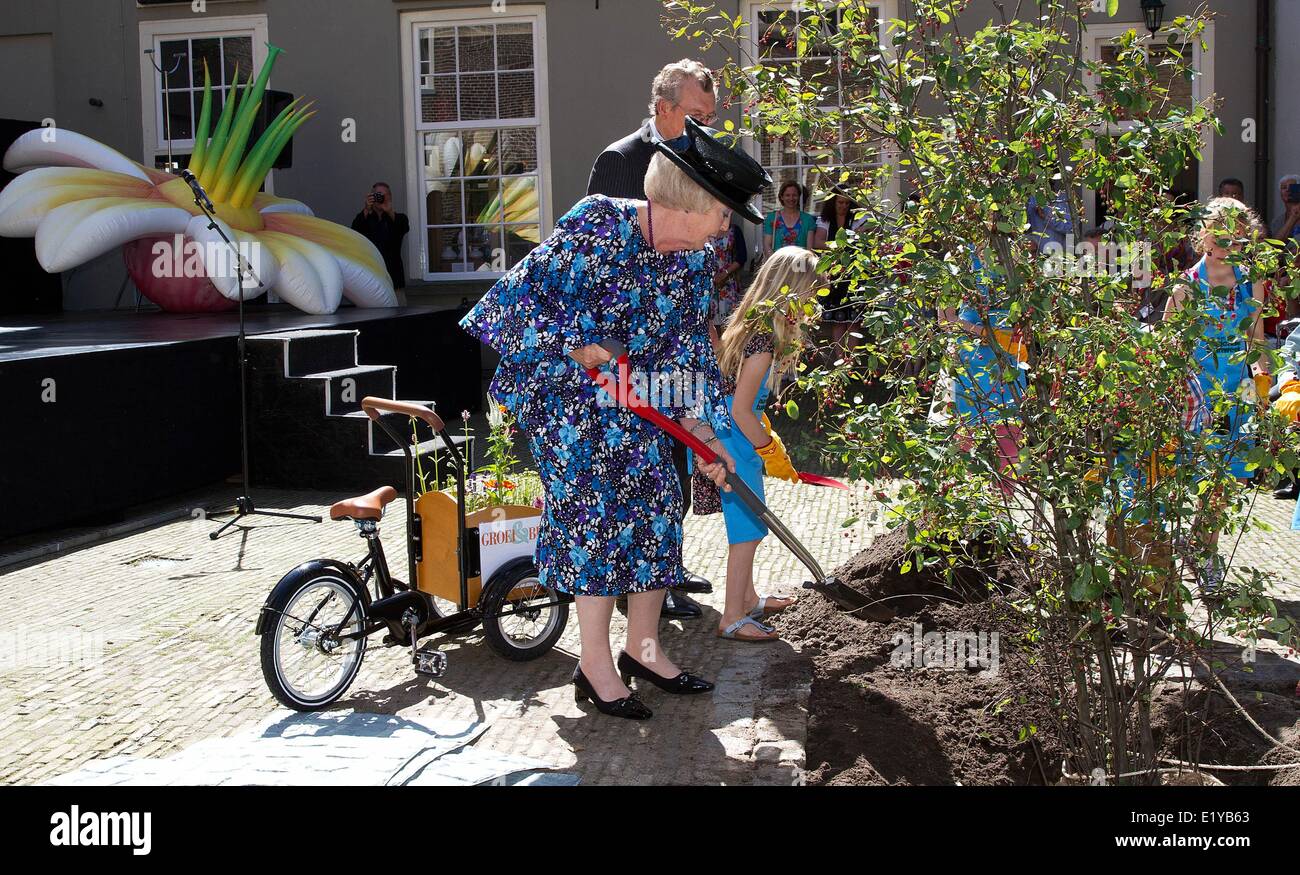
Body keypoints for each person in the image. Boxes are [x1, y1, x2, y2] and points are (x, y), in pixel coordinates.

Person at [461, 119, 770, 719]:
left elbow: (689, 355)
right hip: (571, 403)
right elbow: (515, 302)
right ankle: (594, 665)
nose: (726, 228)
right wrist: (577, 342)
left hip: (644, 403)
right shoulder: (596, 222)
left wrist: (705, 432)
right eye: (724, 214)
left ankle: (645, 649)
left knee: (656, 511)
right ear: (693, 204)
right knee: (600, 521)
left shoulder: (692, 263)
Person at [585, 59, 719, 618]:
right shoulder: (619, 161)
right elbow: (601, 267)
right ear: (663, 107)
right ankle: (634, 590)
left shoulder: (703, 156)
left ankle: (664, 573)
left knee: (677, 466)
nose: (703, 128)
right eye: (694, 116)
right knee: (638, 474)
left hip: (678, 337)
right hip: (627, 352)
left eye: (710, 118)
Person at [692, 247, 820, 641]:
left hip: (734, 435)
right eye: (811, 294)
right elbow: (739, 409)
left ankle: (747, 598)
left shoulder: (752, 325)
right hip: (734, 441)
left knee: (750, 524)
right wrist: (770, 448)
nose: (813, 303)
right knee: (746, 529)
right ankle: (732, 616)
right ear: (792, 291)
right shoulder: (763, 340)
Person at [1163, 197, 1271, 592]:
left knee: (1231, 473)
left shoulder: (1250, 279)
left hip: (1238, 389)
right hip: (1199, 391)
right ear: (1204, 235)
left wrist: (1263, 383)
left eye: (1236, 232)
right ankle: (1201, 551)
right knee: (1202, 472)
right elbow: (1169, 343)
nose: (1228, 240)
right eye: (1220, 232)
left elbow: (1257, 339)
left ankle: (1200, 545)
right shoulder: (1188, 285)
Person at [938, 247, 1027, 497]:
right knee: (968, 438)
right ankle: (972, 516)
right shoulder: (956, 256)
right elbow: (945, 320)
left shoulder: (1013, 253)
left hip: (1008, 358)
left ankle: (1003, 515)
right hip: (970, 359)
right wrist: (986, 334)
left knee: (1009, 438)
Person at [812, 192, 860, 351]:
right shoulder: (825, 220)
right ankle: (840, 363)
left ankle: (851, 363)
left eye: (847, 203)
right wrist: (841, 245)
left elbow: (866, 239)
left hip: (854, 275)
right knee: (837, 322)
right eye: (840, 202)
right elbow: (817, 242)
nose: (844, 206)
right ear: (833, 202)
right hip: (833, 274)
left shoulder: (858, 219)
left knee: (853, 322)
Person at [351, 182, 409, 290]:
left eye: (384, 195)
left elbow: (403, 228)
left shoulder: (399, 218)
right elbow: (354, 231)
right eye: (377, 194)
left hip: (394, 279)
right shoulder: (364, 218)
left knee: (399, 306)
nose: (380, 198)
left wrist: (389, 211)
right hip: (370, 278)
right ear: (371, 197)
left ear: (390, 197)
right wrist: (366, 209)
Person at [762, 181, 817, 256]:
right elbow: (767, 245)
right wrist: (775, 264)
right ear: (781, 197)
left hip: (800, 264)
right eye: (787, 195)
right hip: (777, 264)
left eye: (794, 195)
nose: (791, 198)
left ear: (798, 197)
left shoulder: (808, 220)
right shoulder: (772, 218)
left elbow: (810, 250)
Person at [709, 219, 747, 328]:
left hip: (729, 282)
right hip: (708, 282)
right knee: (711, 325)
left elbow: (742, 257)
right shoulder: (705, 228)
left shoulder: (734, 230)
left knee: (729, 324)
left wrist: (725, 273)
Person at [1272, 173, 1300, 244]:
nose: (1287, 190)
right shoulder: (1276, 222)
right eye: (1284, 187)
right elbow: (1275, 245)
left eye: (1291, 187)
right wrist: (1293, 217)